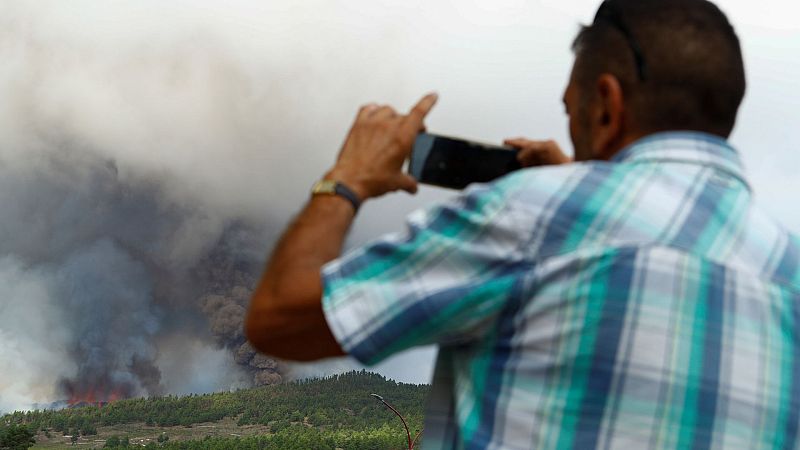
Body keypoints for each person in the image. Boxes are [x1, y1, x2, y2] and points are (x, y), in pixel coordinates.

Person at [246, 0, 800, 448]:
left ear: (605, 105)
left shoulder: (534, 213)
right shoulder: (788, 268)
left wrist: (347, 178)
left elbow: (280, 318)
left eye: (572, 110)